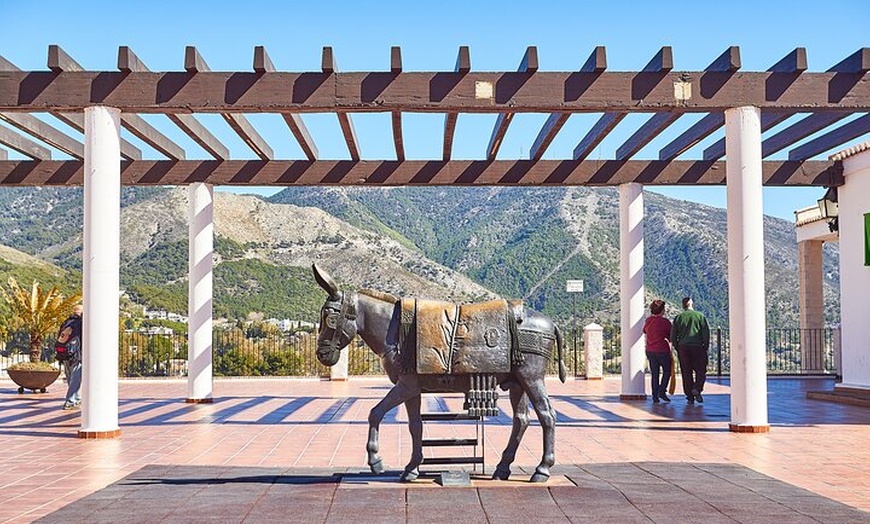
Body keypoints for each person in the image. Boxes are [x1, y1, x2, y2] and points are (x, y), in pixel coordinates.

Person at [671, 297, 710, 404]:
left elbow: (673, 335)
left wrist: (677, 347)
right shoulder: (700, 316)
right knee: (701, 370)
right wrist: (705, 346)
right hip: (698, 347)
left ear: (683, 305)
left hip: (683, 348)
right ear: (692, 304)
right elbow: (706, 333)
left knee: (686, 372)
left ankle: (689, 396)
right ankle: (697, 388)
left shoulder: (679, 317)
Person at [643, 299, 672, 403]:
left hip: (650, 350)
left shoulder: (648, 320)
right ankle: (662, 391)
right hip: (662, 350)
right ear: (662, 310)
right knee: (667, 371)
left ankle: (655, 396)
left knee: (654, 373)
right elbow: (671, 337)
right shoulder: (665, 322)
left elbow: (644, 331)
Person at [56, 304, 83, 410]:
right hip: (76, 354)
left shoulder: (66, 322)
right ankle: (71, 401)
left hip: (64, 353)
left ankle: (75, 398)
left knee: (70, 377)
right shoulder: (81, 323)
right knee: (76, 378)